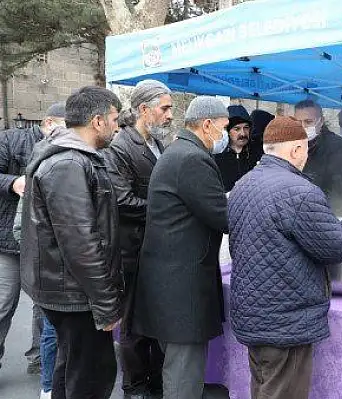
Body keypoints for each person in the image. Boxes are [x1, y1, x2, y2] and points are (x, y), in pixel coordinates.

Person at [228, 116, 342, 399]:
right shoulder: (300, 192)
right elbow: (336, 247)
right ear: (296, 150)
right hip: (286, 322)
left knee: (264, 387)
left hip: (254, 314)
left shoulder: (242, 185)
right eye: (305, 150)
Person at [19, 86, 123, 399]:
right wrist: (106, 305)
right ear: (98, 121)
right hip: (75, 295)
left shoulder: (76, 160)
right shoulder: (69, 164)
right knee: (90, 378)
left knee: (73, 372)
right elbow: (80, 243)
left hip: (72, 291)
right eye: (115, 119)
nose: (118, 126)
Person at [131, 96, 229, 399]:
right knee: (183, 374)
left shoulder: (178, 151)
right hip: (181, 288)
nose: (224, 135)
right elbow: (223, 217)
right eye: (224, 127)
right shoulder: (192, 158)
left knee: (177, 366)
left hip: (168, 281)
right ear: (208, 124)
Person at [103, 79, 173, 399]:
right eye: (165, 108)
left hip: (155, 249)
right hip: (133, 250)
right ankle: (134, 386)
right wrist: (170, 210)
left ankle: (155, 383)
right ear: (144, 110)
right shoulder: (120, 147)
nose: (171, 115)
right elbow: (122, 201)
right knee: (133, 324)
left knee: (156, 319)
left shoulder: (160, 144)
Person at [0, 103, 64, 376]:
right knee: (3, 304)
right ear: (48, 122)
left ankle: (39, 359)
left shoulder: (66, 149)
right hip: (8, 243)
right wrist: (13, 182)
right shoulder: (11, 139)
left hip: (44, 245)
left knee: (45, 308)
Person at [294, 100, 342, 215]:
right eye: (298, 123)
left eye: (308, 122)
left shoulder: (339, 147)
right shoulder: (295, 145)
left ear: (321, 121)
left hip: (328, 216)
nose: (303, 127)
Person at [215, 105, 264, 192]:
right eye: (237, 129)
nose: (243, 133)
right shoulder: (217, 157)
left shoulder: (258, 154)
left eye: (246, 128)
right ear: (227, 132)